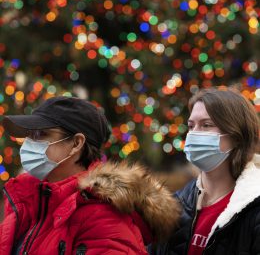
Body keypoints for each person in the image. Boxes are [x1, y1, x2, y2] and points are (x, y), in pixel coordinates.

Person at [0, 96, 181, 255]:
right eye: (30, 135)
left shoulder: (104, 219)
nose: (30, 143)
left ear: (77, 143)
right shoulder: (29, 202)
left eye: (41, 134)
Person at [152, 87, 260, 254]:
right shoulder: (173, 205)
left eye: (206, 125)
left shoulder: (254, 211)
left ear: (237, 136)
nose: (194, 134)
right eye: (191, 126)